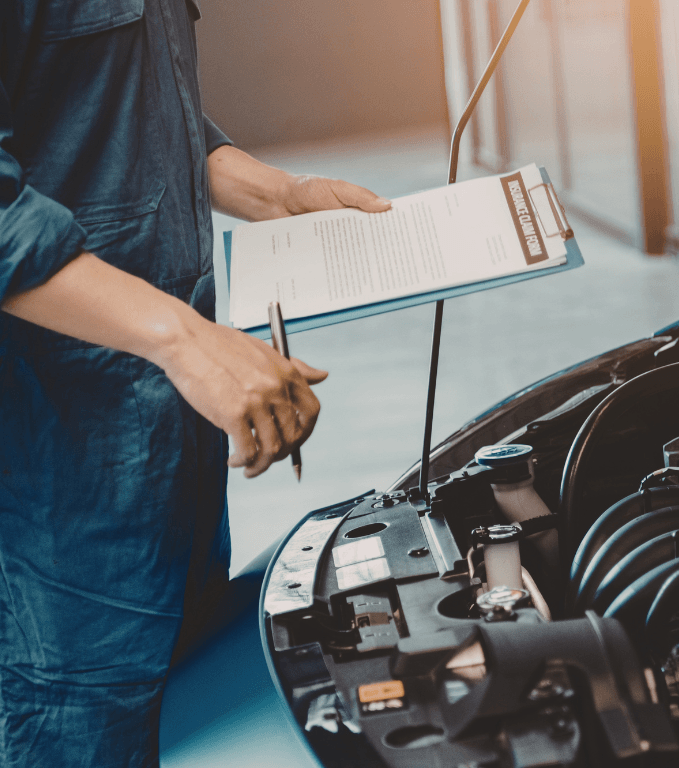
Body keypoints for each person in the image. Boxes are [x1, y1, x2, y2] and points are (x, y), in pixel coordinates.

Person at [0, 1, 390, 764]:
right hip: (54, 491)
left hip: (169, 454)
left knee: (185, 719)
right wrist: (180, 339)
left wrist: (277, 193)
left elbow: (108, 114)